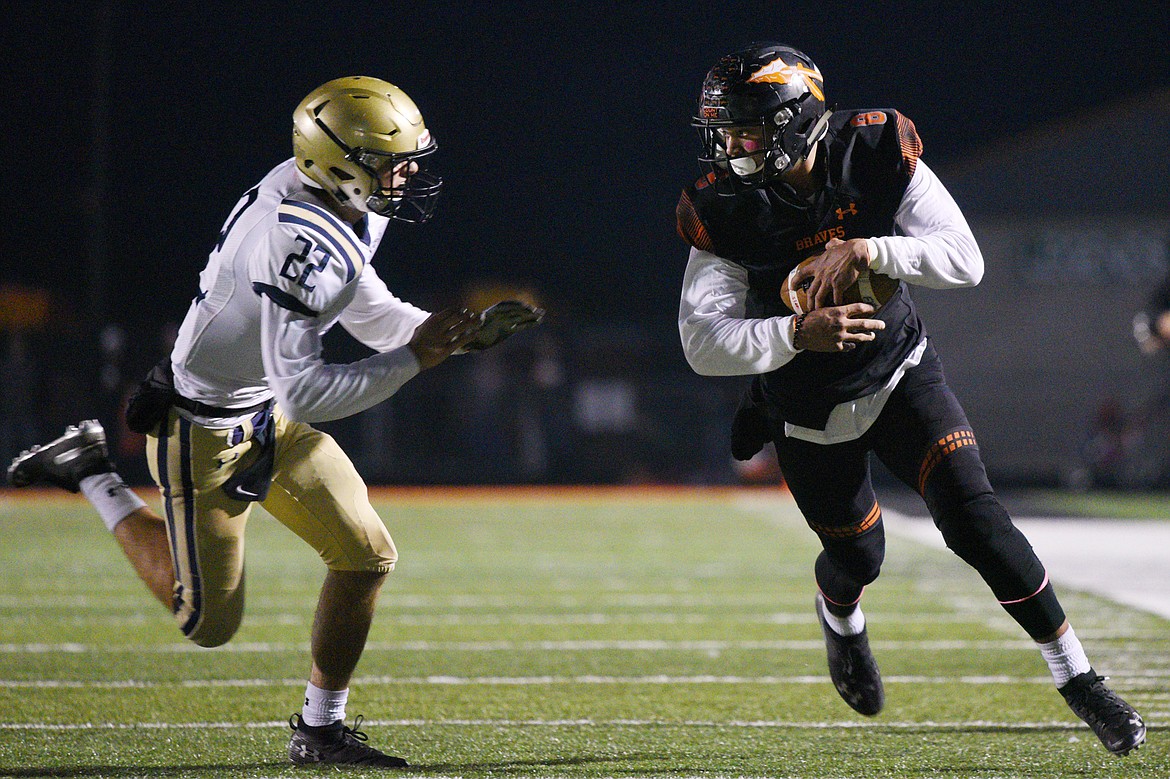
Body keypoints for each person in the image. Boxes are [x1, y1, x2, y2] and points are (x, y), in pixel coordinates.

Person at [7, 76, 540, 768]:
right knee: (206, 621)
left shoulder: (335, 195)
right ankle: (90, 469)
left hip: (269, 408)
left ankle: (319, 729)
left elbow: (363, 304)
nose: (406, 175)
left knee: (366, 554)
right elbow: (312, 390)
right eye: (393, 162)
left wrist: (451, 337)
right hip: (205, 427)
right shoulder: (296, 237)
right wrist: (417, 356)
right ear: (342, 162)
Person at [676, 43, 1145, 756]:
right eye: (726, 130)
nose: (732, 145)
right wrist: (796, 331)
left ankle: (1080, 680)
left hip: (899, 373)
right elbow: (701, 340)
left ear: (799, 120)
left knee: (978, 521)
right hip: (808, 405)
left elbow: (964, 258)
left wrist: (873, 250)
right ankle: (841, 619)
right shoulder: (722, 206)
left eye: (748, 128)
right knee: (859, 555)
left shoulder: (873, 148)